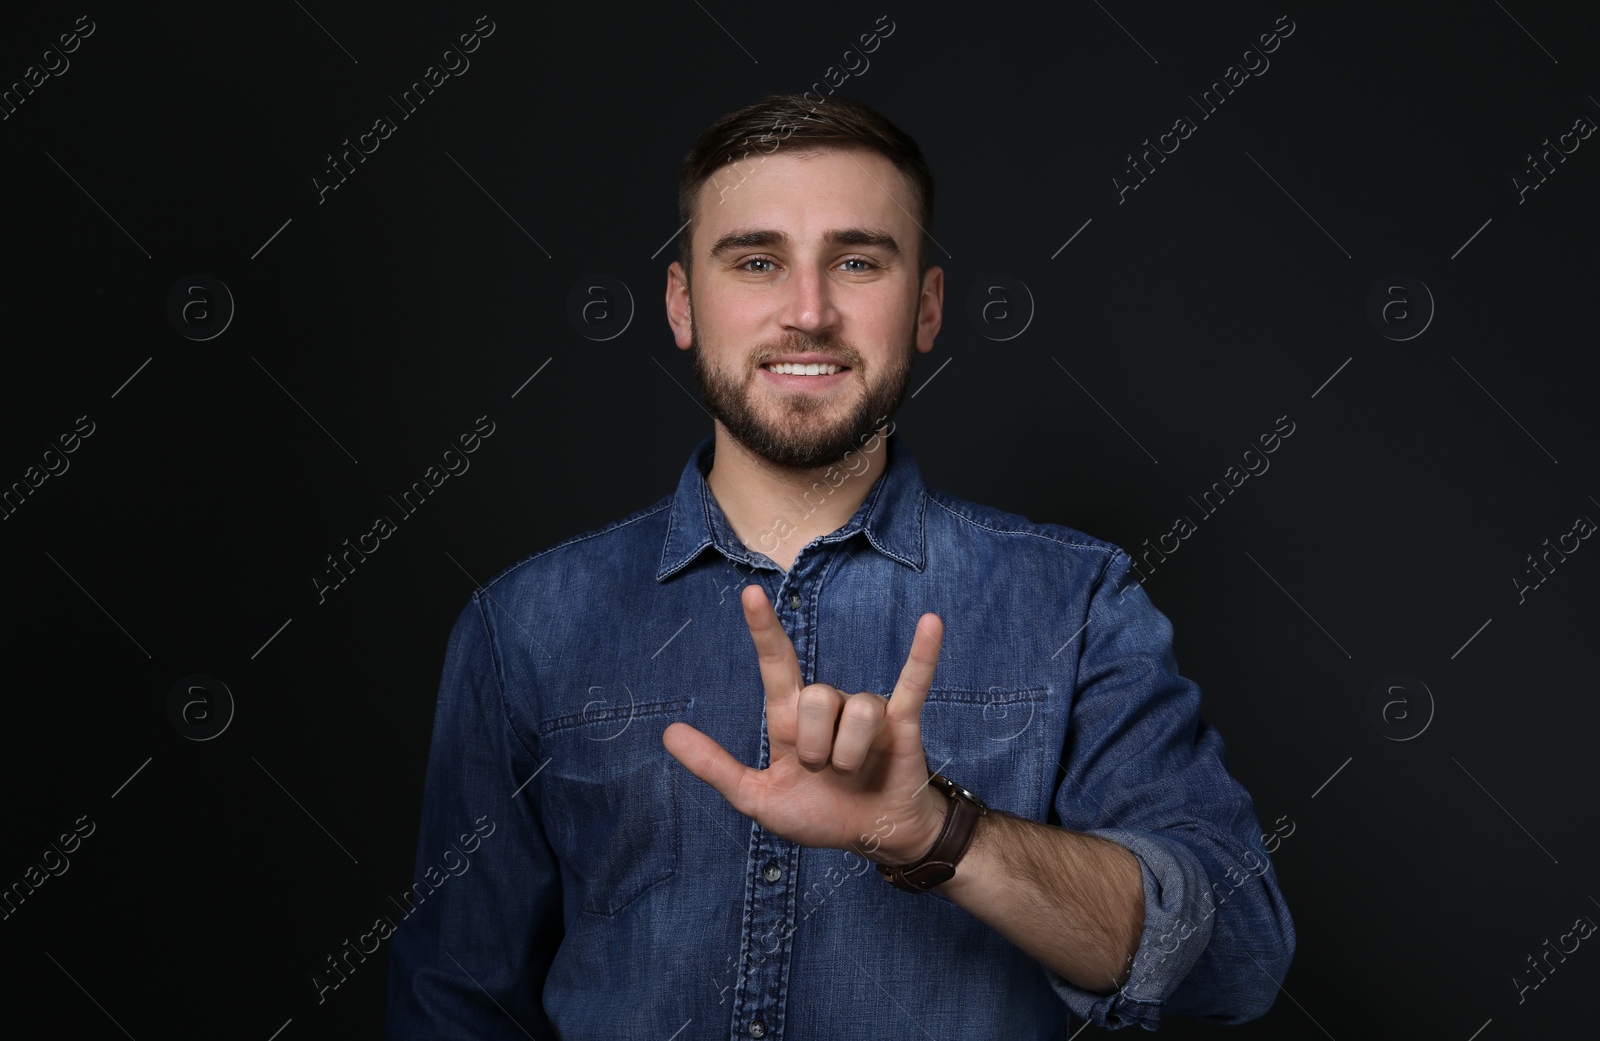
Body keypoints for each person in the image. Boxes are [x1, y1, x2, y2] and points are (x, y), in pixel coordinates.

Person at [386, 93, 1295, 1039]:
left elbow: (1236, 955)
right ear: (682, 304)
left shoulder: (1076, 599)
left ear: (929, 307)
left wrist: (945, 834)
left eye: (858, 261)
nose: (809, 311)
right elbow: (455, 1004)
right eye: (757, 261)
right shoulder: (524, 625)